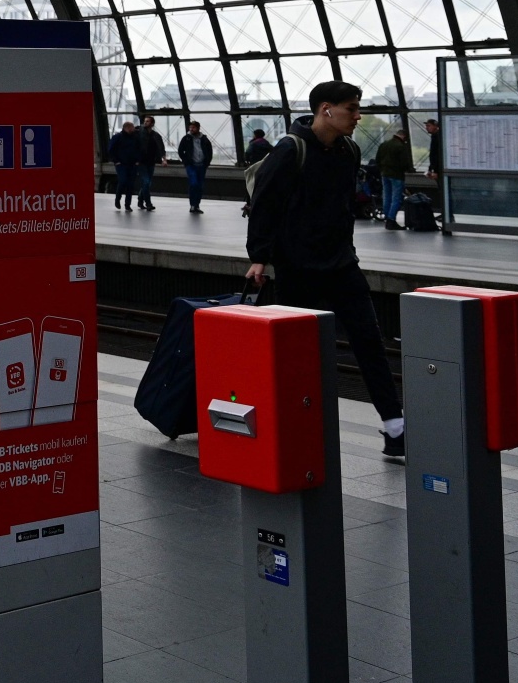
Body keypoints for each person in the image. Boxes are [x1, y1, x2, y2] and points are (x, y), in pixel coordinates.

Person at [246, 82, 405, 459]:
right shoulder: (290, 149)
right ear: (326, 110)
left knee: (369, 341)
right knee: (297, 353)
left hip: (341, 265)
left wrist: (346, 248)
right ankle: (291, 425)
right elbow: (264, 205)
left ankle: (395, 427)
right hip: (297, 269)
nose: (357, 116)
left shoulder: (348, 150)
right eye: (351, 108)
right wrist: (259, 257)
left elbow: (343, 206)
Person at [376, 126, 414, 230]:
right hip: (397, 175)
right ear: (404, 137)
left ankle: (387, 218)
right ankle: (391, 220)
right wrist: (407, 169)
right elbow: (404, 163)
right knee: (396, 198)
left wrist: (382, 169)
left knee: (387, 197)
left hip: (384, 174)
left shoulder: (384, 144)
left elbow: (377, 159)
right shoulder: (400, 146)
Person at [177, 120, 213, 215]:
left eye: (193, 127)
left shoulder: (204, 139)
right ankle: (193, 205)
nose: (191, 129)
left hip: (202, 165)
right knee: (194, 184)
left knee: (200, 186)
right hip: (191, 165)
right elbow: (180, 151)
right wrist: (186, 161)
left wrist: (207, 162)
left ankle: (196, 205)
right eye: (190, 127)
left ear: (198, 128)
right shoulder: (186, 138)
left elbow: (209, 151)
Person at [106, 121, 141, 211]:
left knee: (130, 184)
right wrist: (116, 161)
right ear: (127, 128)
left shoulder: (135, 138)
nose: (134, 129)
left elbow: (139, 149)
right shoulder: (118, 137)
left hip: (133, 164)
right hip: (121, 164)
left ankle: (127, 204)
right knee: (123, 181)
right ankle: (118, 199)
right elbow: (111, 149)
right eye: (132, 127)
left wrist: (137, 160)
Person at [136, 115, 165, 211]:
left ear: (152, 124)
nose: (145, 123)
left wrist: (163, 159)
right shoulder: (139, 132)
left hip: (151, 162)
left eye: (148, 121)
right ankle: (148, 203)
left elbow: (161, 147)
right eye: (145, 121)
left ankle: (140, 200)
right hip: (141, 162)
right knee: (146, 182)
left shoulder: (156, 136)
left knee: (147, 183)